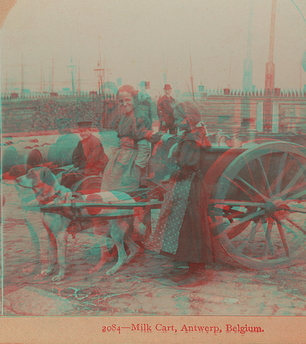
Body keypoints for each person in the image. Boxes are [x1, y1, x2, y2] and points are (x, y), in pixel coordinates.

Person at [146, 102, 213, 285]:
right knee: (184, 226)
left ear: (186, 119)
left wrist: (169, 174)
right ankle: (190, 268)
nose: (175, 121)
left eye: (177, 118)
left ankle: (199, 272)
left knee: (193, 227)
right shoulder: (188, 136)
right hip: (185, 185)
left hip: (191, 187)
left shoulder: (193, 139)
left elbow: (188, 166)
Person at [101, 85, 152, 192]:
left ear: (134, 100)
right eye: (121, 101)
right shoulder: (123, 117)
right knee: (111, 187)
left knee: (124, 192)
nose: (124, 104)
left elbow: (145, 147)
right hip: (122, 160)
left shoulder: (139, 118)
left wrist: (136, 170)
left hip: (131, 164)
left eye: (128, 100)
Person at [61, 121, 109, 192]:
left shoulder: (95, 142)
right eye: (81, 131)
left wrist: (81, 169)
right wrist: (77, 165)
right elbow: (76, 156)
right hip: (86, 166)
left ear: (90, 131)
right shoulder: (81, 142)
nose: (83, 133)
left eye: (85, 131)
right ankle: (64, 192)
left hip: (96, 167)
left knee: (71, 177)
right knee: (66, 174)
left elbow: (93, 160)